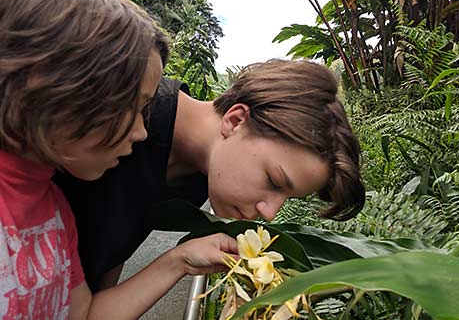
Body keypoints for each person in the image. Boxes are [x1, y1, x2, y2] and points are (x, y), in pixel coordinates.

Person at [0, 0, 237, 319]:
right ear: (53, 87)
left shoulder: (53, 210)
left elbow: (83, 314)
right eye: (135, 106)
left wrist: (179, 260)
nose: (142, 132)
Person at [56, 62, 366, 290]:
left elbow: (101, 269)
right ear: (235, 120)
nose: (269, 214)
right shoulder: (119, 113)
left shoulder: (195, 178)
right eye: (273, 181)